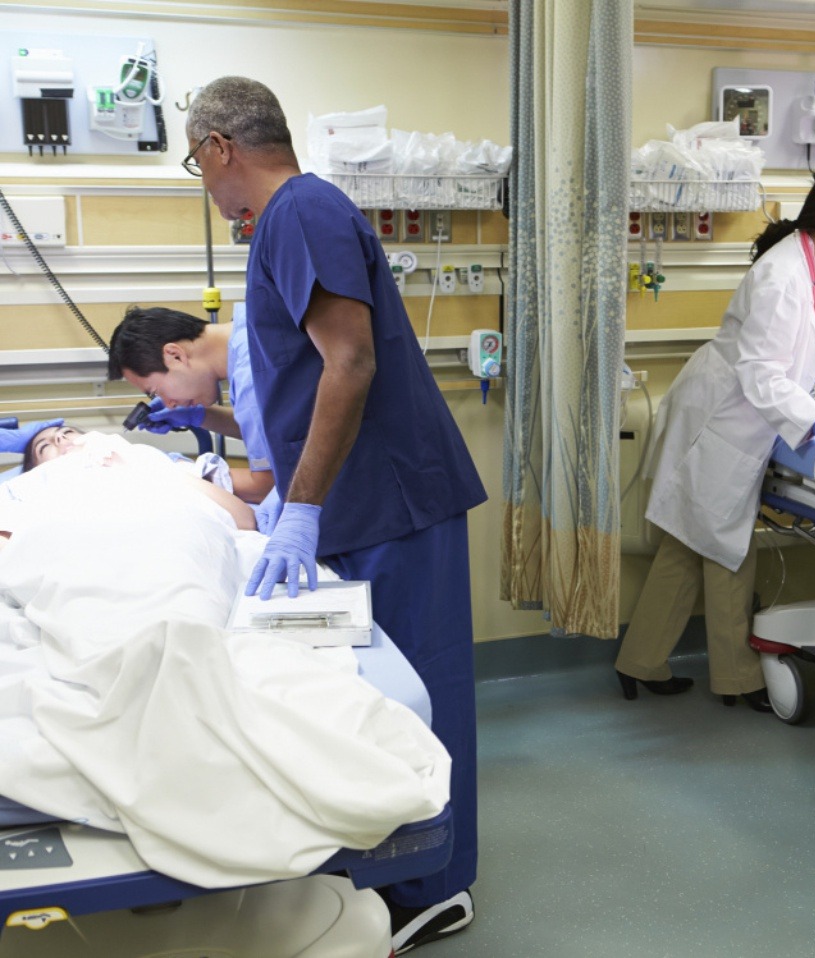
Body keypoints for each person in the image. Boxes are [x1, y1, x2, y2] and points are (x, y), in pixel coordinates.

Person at [184, 77, 487, 953]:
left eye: (197, 163)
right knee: (384, 699)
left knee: (422, 695)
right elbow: (304, 378)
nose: (206, 186)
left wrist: (301, 510)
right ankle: (393, 864)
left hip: (391, 500)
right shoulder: (289, 221)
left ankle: (436, 888)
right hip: (364, 501)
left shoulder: (301, 211)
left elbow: (348, 362)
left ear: (220, 147)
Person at [615, 163, 815, 710]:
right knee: (726, 549)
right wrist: (813, 418)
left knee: (689, 545)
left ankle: (639, 662)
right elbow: (762, 370)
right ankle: (737, 680)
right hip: (721, 419)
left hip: (737, 414)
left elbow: (801, 352)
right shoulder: (782, 275)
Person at [107, 306, 276, 505]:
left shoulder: (253, 377)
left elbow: (267, 487)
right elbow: (269, 432)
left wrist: (176, 473)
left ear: (174, 355)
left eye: (156, 391)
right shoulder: (252, 320)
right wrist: (199, 415)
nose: (169, 404)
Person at [6, 424, 256, 533]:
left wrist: (141, 465)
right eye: (44, 447)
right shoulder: (27, 492)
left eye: (67, 432)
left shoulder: (149, 459)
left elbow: (243, 519)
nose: (60, 438)